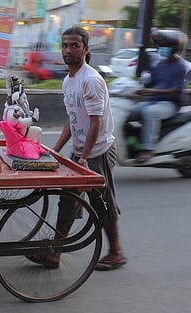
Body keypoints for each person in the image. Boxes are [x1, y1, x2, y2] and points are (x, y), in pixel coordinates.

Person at [28, 26, 126, 271]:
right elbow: (73, 120)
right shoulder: (69, 80)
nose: (68, 50)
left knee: (101, 202)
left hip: (98, 152)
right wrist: (57, 149)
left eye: (74, 45)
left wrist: (83, 157)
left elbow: (96, 122)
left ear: (85, 49)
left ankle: (116, 252)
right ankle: (55, 253)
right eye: (65, 45)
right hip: (80, 151)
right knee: (68, 200)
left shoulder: (91, 80)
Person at [130, 30, 187, 163]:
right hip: (153, 100)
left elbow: (176, 91)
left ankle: (148, 149)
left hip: (170, 104)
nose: (160, 49)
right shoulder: (159, 64)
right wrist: (141, 84)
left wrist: (153, 91)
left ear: (173, 48)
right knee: (131, 112)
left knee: (150, 112)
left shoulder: (180, 66)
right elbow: (149, 80)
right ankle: (132, 143)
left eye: (164, 46)